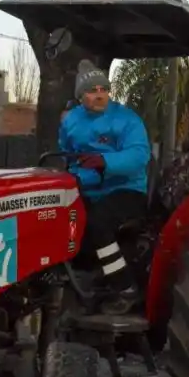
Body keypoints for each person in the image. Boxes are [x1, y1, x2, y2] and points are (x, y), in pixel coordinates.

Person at [58, 60, 152, 315]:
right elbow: (66, 153)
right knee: (55, 218)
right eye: (92, 90)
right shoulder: (71, 120)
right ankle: (71, 281)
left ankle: (125, 288)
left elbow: (139, 156)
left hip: (125, 188)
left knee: (97, 222)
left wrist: (104, 161)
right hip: (86, 187)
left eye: (104, 89)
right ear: (81, 96)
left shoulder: (127, 120)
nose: (99, 95)